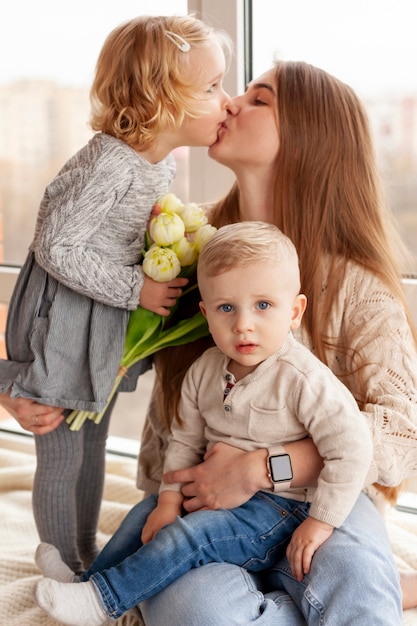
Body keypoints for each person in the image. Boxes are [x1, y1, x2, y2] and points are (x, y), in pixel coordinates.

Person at [133, 61, 417, 624]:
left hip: (316, 507)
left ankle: (368, 582)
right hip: (202, 507)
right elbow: (143, 383)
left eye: (258, 99)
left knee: (355, 584)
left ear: (309, 137)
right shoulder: (190, 254)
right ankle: (381, 588)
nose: (230, 103)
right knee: (194, 611)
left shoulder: (355, 287)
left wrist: (266, 468)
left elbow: (403, 433)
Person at [34, 221, 373, 626]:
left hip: (281, 511)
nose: (243, 324)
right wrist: (168, 501)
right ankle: (86, 585)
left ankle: (105, 602)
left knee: (191, 536)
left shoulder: (302, 379)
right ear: (206, 312)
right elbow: (184, 442)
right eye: (226, 308)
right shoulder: (205, 370)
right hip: (213, 492)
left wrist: (321, 521)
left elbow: (353, 447)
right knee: (144, 517)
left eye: (263, 306)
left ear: (295, 311)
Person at [0, 14, 231, 575]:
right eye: (211, 87)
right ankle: (58, 556)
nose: (226, 99)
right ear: (163, 100)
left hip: (96, 326)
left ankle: (84, 553)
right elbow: (55, 246)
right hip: (62, 327)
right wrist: (137, 287)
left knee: (93, 441)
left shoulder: (152, 167)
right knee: (60, 443)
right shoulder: (110, 162)